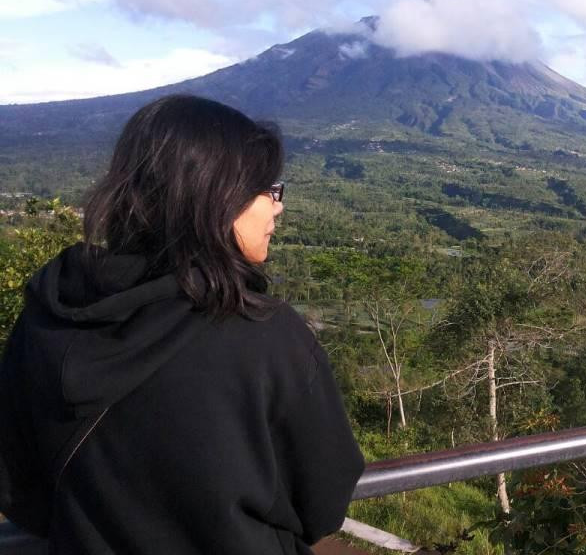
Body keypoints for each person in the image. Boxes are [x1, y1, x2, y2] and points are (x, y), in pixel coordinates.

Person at [0, 95, 364, 554]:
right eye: (266, 189)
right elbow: (324, 502)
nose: (277, 207)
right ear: (216, 197)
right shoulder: (268, 338)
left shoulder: (50, 314)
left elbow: (17, 487)